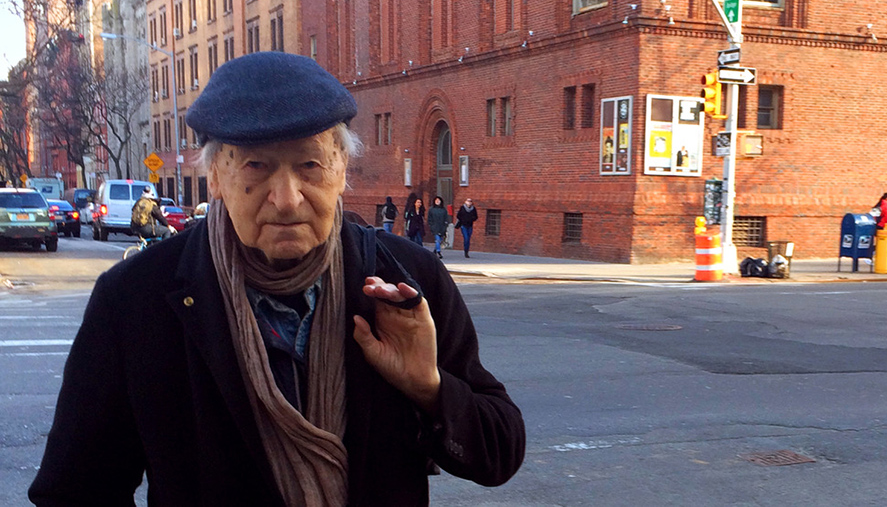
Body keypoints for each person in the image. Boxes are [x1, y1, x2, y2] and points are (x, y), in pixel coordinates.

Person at [30, 52, 524, 505]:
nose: (286, 198)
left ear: (342, 169)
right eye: (256, 166)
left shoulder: (406, 281)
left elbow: (500, 451)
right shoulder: (135, 300)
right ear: (216, 177)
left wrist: (430, 389)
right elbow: (75, 489)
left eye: (310, 164)